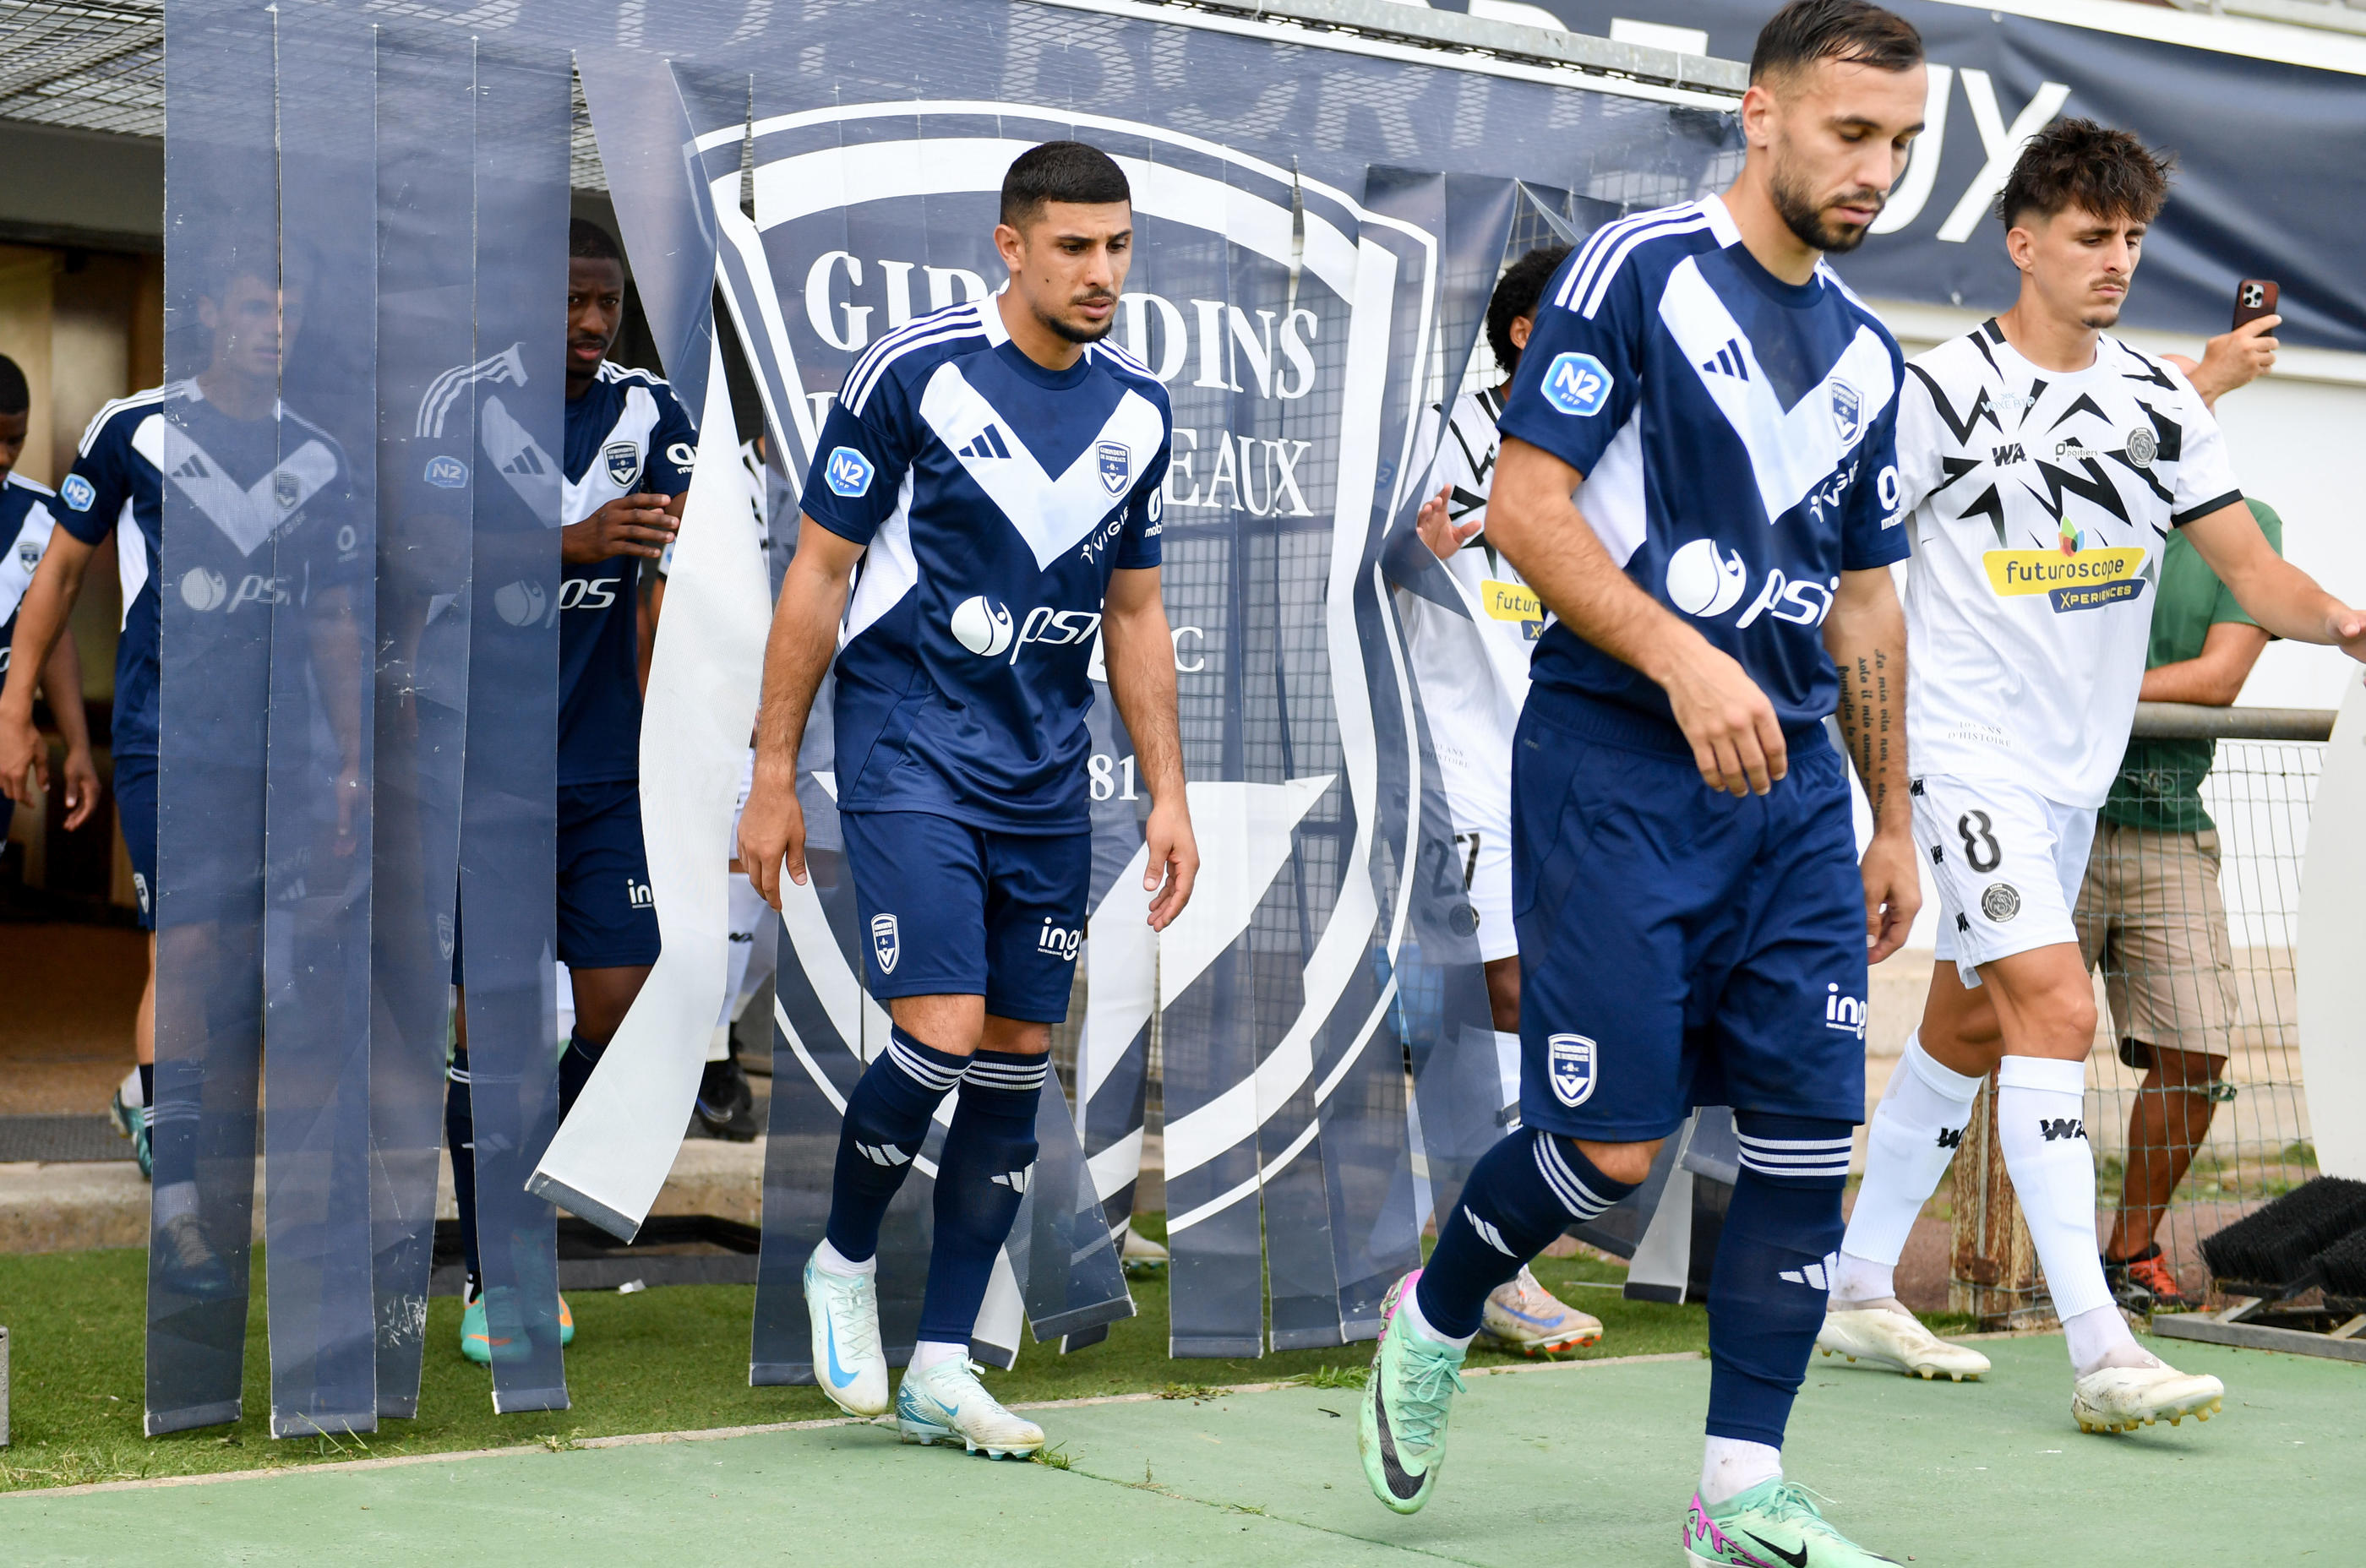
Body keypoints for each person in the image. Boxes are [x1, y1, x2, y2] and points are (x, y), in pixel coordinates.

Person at [1355, 4, 1927, 1560]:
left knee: (1810, 1145)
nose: (1878, 173)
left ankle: (1739, 1491)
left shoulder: (1874, 358)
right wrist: (1681, 658)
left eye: (1902, 146)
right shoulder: (1636, 274)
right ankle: (1442, 1304)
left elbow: (1868, 601)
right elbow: (1530, 514)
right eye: (1851, 134)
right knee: (1611, 1151)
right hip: (1617, 766)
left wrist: (1893, 817)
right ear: (1760, 115)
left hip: (1798, 793)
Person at [1821, 119, 2366, 1435]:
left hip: (2073, 776)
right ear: (2024, 245)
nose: (2117, 260)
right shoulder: (1934, 394)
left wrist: (2349, 621)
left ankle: (1850, 1286)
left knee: (1966, 1027)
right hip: (1964, 756)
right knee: (2057, 1013)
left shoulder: (2164, 400)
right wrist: (1886, 794)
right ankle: (2102, 1346)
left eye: (2131, 238)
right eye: (2089, 237)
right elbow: (1862, 592)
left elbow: (2253, 577)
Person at [738, 139, 1197, 1460]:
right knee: (936, 1029)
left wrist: (1167, 795)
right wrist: (773, 774)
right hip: (908, 756)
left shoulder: (1139, 409)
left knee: (1012, 1061)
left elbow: (1138, 612)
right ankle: (839, 1262)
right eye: (1072, 246)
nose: (1101, 271)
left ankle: (941, 1361)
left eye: (1116, 246)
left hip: (1050, 783)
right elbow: (817, 580)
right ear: (1010, 245)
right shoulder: (913, 374)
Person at [2, 231, 363, 1292]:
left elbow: (338, 620)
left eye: (287, 315)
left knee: (240, 969)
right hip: (172, 741)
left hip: (280, 753)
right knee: (190, 953)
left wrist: (348, 756)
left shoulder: (321, 454)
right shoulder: (134, 430)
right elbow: (59, 580)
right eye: (257, 310)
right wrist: (19, 711)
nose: (273, 331)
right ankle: (183, 1211)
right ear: (211, 317)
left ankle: (148, 1098)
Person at [444, 218, 695, 1363]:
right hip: (480, 776)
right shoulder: (458, 402)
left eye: (607, 305)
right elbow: (419, 553)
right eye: (571, 302)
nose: (593, 324)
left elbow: (705, 559)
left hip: (604, 772)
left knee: (622, 1012)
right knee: (488, 1030)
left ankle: (528, 1151)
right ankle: (499, 1275)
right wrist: (575, 540)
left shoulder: (651, 412)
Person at [1396, 245, 1605, 1358]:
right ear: (1528, 329)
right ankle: (1489, 1265)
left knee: (1543, 997)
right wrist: (1407, 554)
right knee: (1501, 994)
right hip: (1468, 761)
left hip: (1580, 759)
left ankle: (1470, 1250)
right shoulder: (1438, 432)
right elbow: (1360, 568)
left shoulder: (1614, 438)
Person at [2077, 496, 2282, 1314]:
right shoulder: (2066, 507)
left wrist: (2076, 701)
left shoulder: (2249, 523)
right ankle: (2000, 1259)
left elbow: (2219, 678)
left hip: (2169, 826)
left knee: (2196, 1055)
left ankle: (2126, 1253)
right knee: (2002, 1046)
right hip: (2051, 816)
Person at [0, 352, 98, 861]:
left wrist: (77, 742)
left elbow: (52, 636)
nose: (2, 456)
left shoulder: (42, 516)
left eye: (15, 440)